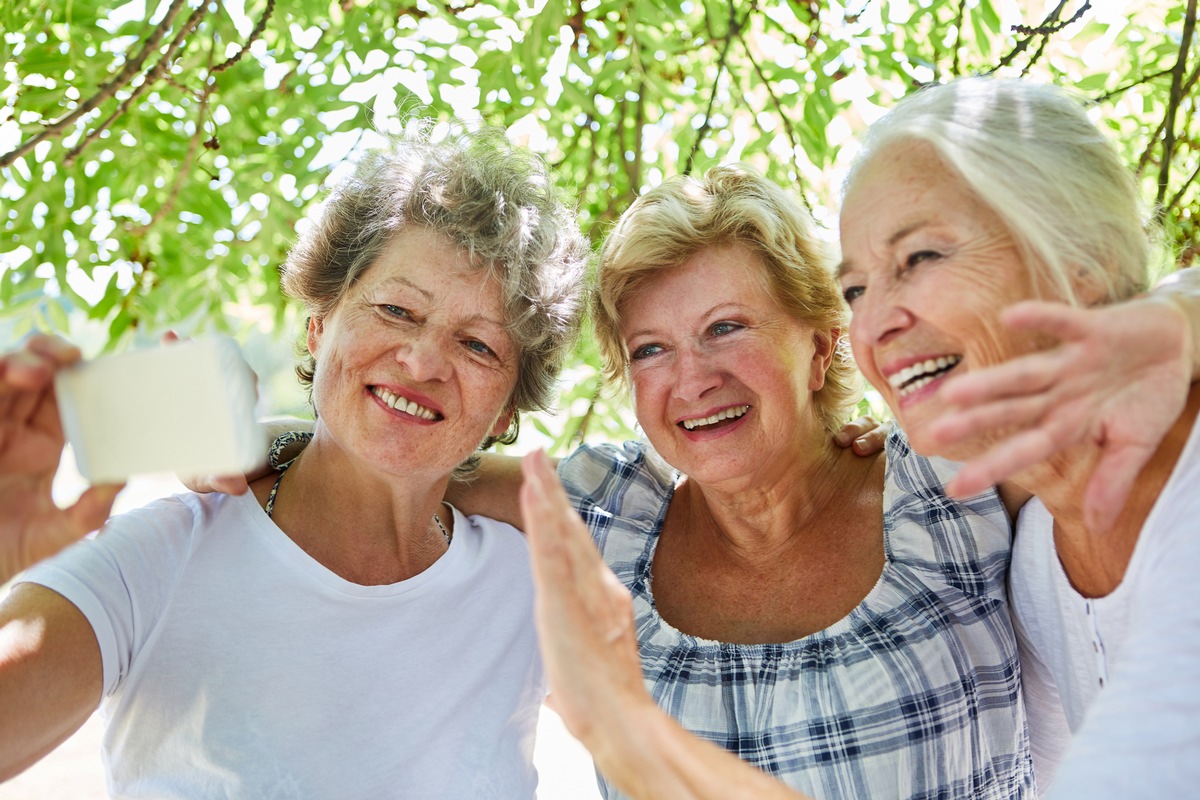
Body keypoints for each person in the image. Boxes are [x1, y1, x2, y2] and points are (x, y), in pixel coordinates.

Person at [516, 77, 1200, 800]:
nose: (878, 323)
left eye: (921, 259)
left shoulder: (963, 499)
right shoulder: (1043, 562)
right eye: (860, 289)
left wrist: (626, 731)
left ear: (820, 350)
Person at [0, 120, 588, 797]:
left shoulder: (528, 584)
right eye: (397, 310)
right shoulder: (158, 556)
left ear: (507, 411)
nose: (423, 360)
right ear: (319, 324)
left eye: (479, 346)